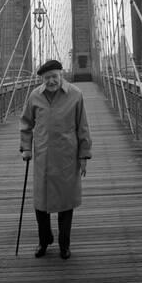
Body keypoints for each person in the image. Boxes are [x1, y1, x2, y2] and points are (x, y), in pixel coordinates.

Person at [19, 59, 92, 259]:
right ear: (42, 79)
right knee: (41, 203)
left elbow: (82, 127)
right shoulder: (35, 96)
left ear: (62, 74)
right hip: (43, 157)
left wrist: (84, 155)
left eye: (54, 76)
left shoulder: (76, 95)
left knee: (66, 203)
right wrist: (26, 148)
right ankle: (44, 240)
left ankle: (64, 244)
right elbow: (26, 123)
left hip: (67, 157)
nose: (51, 81)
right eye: (47, 78)